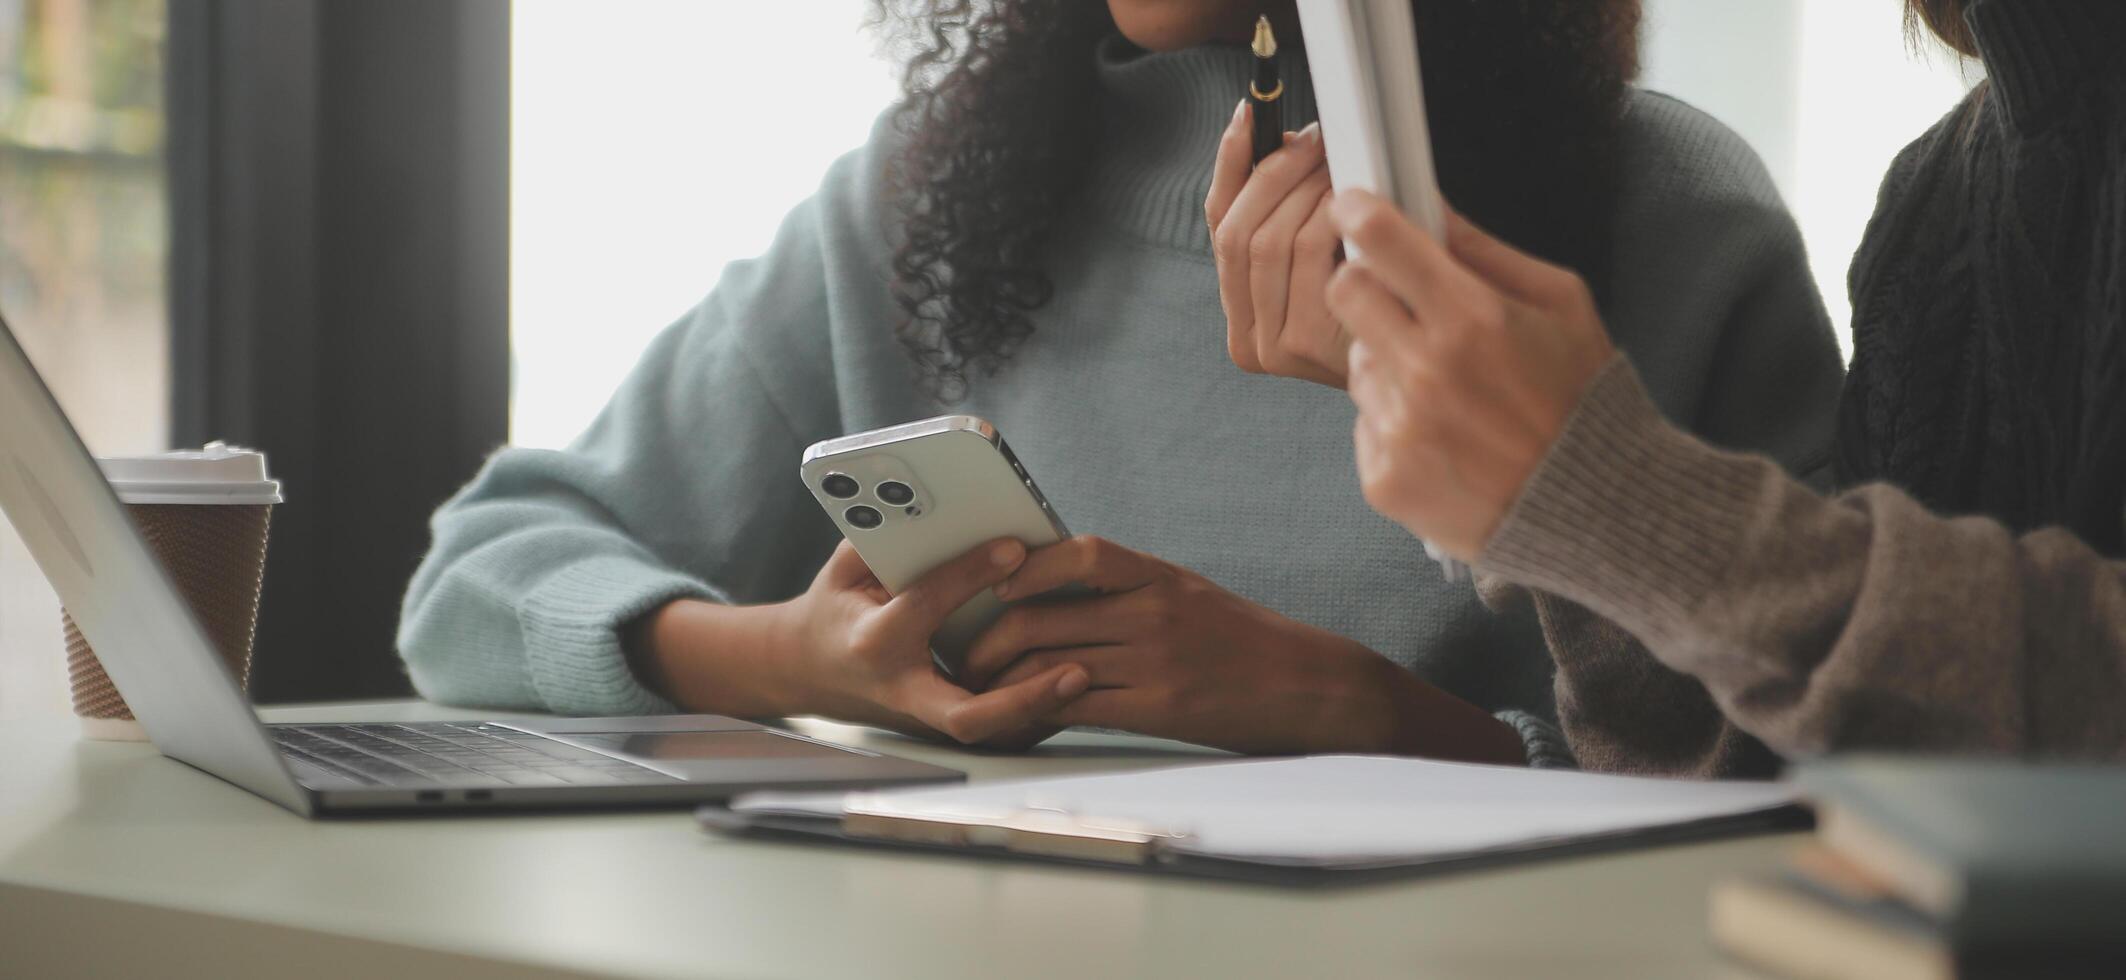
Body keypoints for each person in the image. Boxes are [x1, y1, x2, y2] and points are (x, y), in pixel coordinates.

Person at [398, 0, 1842, 764]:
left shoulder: (1665, 218)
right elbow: (477, 578)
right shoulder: (927, 199)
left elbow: (1801, 762)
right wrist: (795, 658)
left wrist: (1358, 711)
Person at [1320, 0, 2126, 773]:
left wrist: (1607, 501)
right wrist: (1584, 514)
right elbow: (1804, 766)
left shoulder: (1685, 200)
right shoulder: (1933, 200)